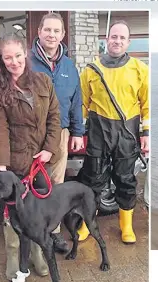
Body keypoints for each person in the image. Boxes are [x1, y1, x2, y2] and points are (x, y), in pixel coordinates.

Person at [0, 33, 62, 282]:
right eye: (8, 58)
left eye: (18, 56)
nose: (14, 62)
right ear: (1, 60)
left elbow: (54, 117)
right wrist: (3, 168)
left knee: (38, 212)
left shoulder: (42, 81)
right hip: (15, 164)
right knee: (13, 214)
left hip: (41, 161)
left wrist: (50, 149)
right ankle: (14, 258)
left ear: (25, 54)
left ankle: (39, 255)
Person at [77, 20, 149, 244]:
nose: (117, 41)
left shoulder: (140, 70)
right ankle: (87, 225)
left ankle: (126, 227)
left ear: (128, 42)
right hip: (98, 132)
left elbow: (147, 104)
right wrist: (78, 132)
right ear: (106, 39)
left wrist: (146, 133)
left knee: (126, 180)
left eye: (121, 38)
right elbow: (81, 104)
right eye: (113, 36)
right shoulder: (90, 70)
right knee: (92, 180)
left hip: (127, 134)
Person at [30, 12, 85, 253]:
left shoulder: (69, 66)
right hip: (31, 132)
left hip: (60, 132)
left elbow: (76, 101)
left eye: (56, 31)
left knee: (56, 184)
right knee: (31, 183)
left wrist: (77, 132)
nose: (51, 35)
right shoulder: (27, 62)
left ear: (63, 35)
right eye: (47, 30)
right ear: (39, 32)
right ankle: (33, 232)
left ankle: (53, 233)